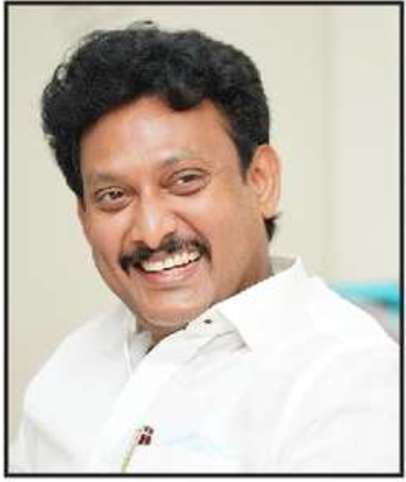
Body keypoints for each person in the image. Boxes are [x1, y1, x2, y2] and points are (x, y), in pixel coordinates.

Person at [11, 22, 399, 474]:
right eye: (113, 196)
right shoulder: (71, 367)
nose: (151, 231)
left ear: (260, 181)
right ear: (84, 217)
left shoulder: (346, 379)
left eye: (184, 181)